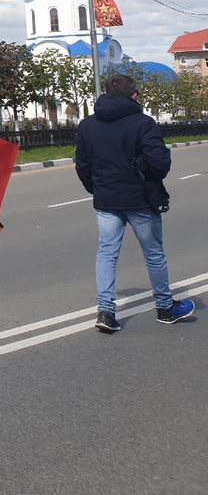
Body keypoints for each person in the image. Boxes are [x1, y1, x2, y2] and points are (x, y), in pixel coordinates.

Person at [75, 73, 194, 333]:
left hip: (106, 201)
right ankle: (165, 308)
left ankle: (106, 312)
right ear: (134, 96)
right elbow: (160, 164)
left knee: (107, 253)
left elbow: (83, 166)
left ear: (105, 93)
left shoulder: (87, 125)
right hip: (140, 201)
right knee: (153, 254)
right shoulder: (143, 123)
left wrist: (97, 190)